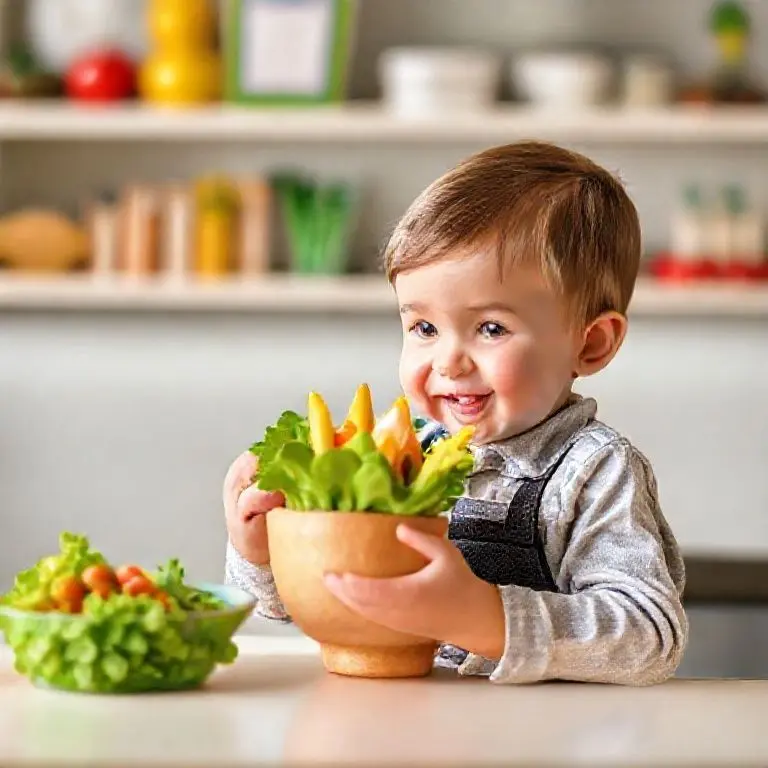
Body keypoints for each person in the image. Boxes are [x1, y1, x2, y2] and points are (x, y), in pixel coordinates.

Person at [223, 140, 688, 686]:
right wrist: (262, 555)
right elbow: (321, 602)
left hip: (534, 729)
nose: (447, 361)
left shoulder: (595, 472)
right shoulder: (397, 454)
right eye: (424, 328)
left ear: (591, 344)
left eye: (491, 328)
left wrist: (489, 619)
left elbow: (650, 638)